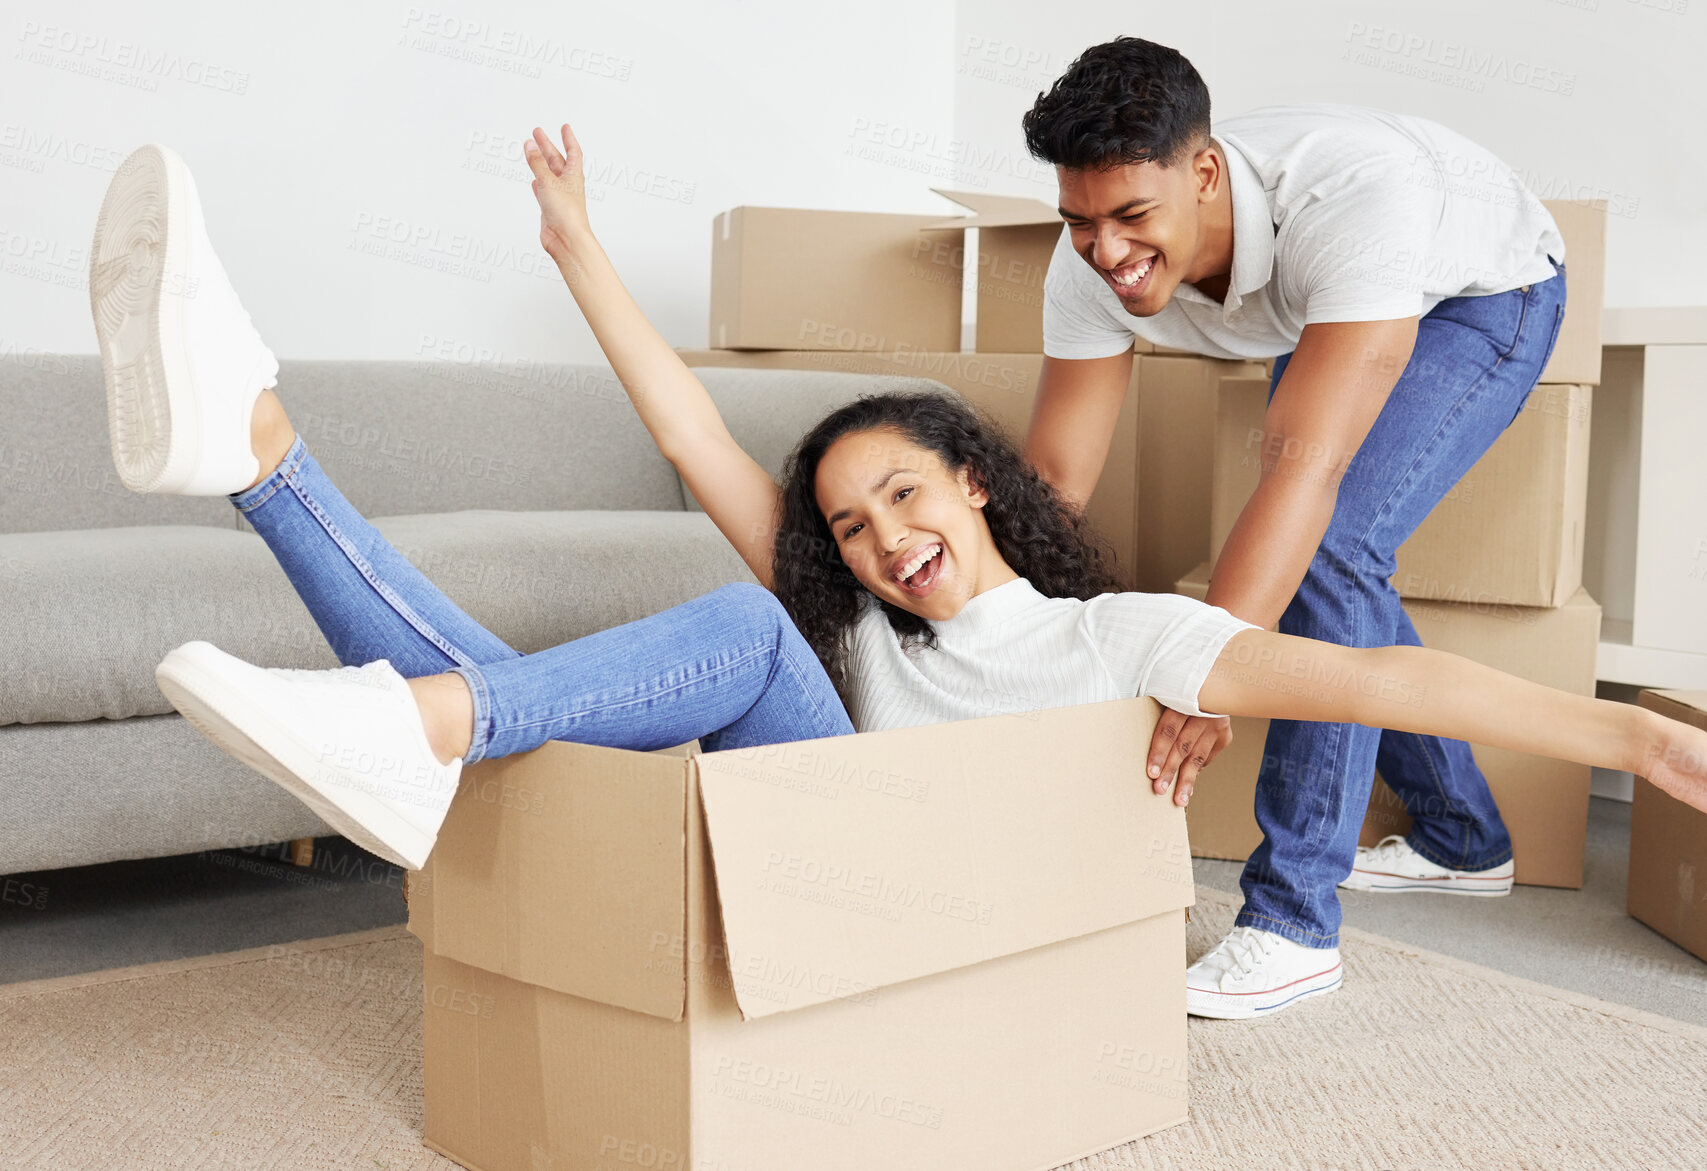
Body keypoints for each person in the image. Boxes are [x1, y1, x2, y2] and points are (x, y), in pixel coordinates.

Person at [86, 133, 1706, 1023]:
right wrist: (576, 243)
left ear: (979, 483)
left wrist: (1631, 740)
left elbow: (1376, 680)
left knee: (718, 632)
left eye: (899, 497)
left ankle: (418, 716)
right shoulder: (847, 626)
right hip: (762, 848)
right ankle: (258, 454)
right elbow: (692, 431)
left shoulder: (1120, 637)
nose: (873, 541)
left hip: (895, 905)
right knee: (526, 685)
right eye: (847, 526)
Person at [1016, 36, 1580, 1015]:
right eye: (1079, 222)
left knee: (1330, 541)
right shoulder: (1090, 265)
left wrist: (1205, 677)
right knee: (1333, 562)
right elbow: (1056, 483)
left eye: (1133, 217)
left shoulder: (1360, 205)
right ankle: (1462, 838)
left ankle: (1292, 921)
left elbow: (1304, 479)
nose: (1107, 252)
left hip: (1480, 292)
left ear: (1201, 174)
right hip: (1334, 304)